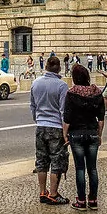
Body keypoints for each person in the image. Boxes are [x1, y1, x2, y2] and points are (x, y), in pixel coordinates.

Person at [63, 64, 105, 211]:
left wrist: (64, 135)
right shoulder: (97, 93)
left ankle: (81, 201)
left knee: (80, 169)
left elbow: (67, 117)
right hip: (92, 132)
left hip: (76, 133)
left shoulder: (72, 93)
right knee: (92, 169)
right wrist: (99, 135)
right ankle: (93, 200)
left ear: (74, 78)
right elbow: (101, 119)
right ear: (87, 76)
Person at [30, 56, 69, 205]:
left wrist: (38, 119)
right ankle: (53, 193)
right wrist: (65, 132)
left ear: (46, 66)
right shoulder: (61, 85)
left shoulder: (35, 83)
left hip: (40, 126)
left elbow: (32, 106)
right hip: (56, 127)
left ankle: (42, 192)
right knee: (56, 160)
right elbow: (63, 111)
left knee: (41, 160)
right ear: (59, 68)